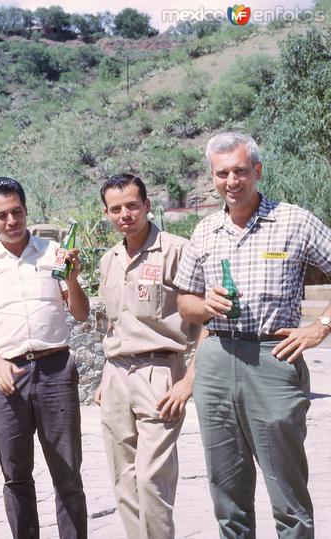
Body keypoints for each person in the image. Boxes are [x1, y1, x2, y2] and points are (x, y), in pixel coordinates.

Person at [175, 132, 331, 538]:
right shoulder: (205, 230)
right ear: (213, 177)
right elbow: (184, 302)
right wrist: (205, 304)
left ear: (257, 171)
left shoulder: (293, 221)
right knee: (227, 493)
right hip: (216, 360)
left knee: (288, 494)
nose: (232, 181)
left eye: (241, 171)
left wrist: (320, 328)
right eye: (222, 173)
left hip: (272, 359)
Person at [0, 177, 90, 539]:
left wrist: (75, 280)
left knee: (67, 473)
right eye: (1, 215)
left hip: (55, 371)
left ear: (26, 211)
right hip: (7, 375)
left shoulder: (53, 253)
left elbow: (79, 313)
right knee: (16, 476)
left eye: (17, 212)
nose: (11, 221)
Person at [96, 173, 201, 539]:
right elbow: (113, 324)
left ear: (147, 206)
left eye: (132, 205)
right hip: (115, 375)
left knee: (153, 478)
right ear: (107, 214)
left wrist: (189, 380)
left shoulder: (177, 250)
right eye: (116, 208)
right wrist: (105, 377)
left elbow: (203, 320)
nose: (125, 214)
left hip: (160, 372)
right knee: (123, 476)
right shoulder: (108, 260)